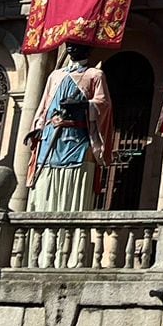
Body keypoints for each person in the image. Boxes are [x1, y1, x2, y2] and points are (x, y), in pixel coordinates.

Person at [25, 41, 116, 212]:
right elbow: (44, 105)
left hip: (78, 140)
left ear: (87, 48)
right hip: (50, 139)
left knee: (72, 191)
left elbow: (104, 104)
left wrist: (84, 105)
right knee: (45, 186)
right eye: (69, 44)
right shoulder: (55, 75)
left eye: (77, 44)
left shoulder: (95, 75)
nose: (70, 48)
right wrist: (37, 128)